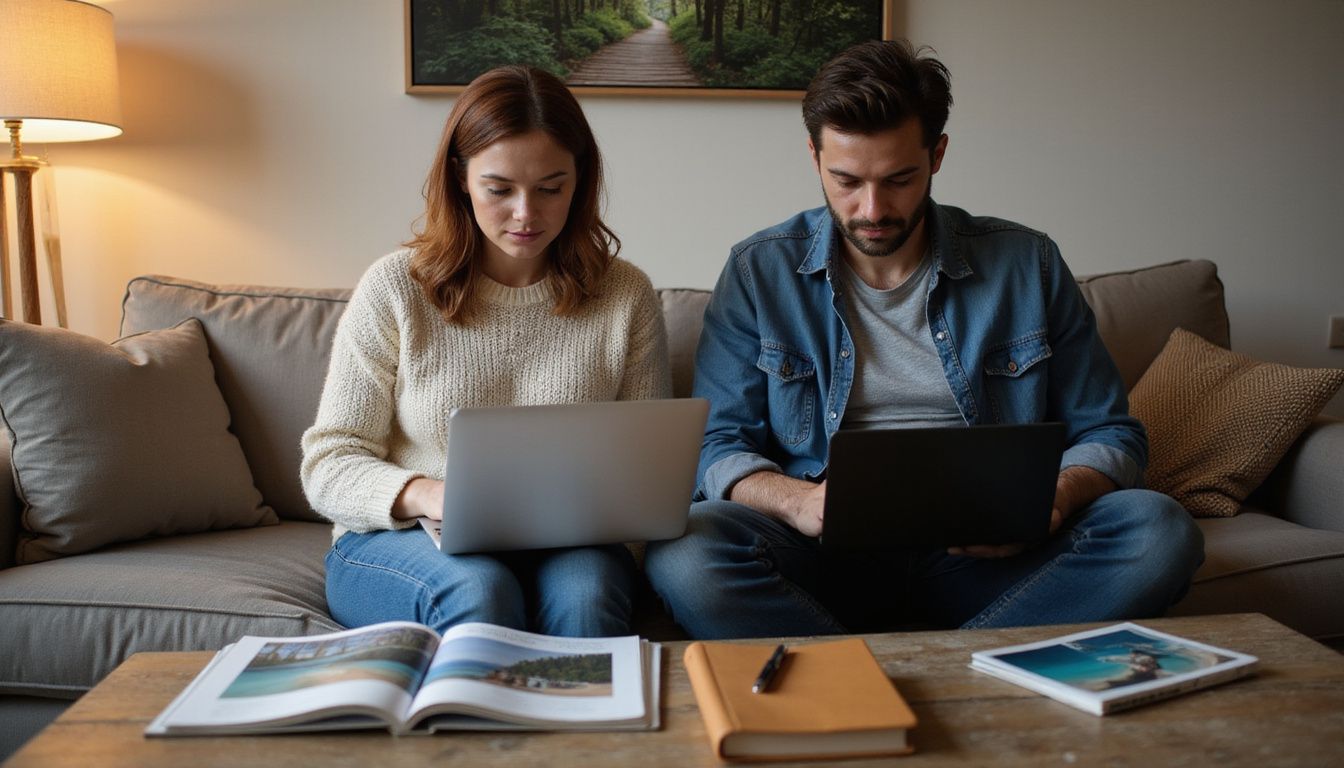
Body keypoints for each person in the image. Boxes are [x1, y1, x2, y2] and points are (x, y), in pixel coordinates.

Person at [644, 40, 1203, 639]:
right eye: (847, 181)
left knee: (1158, 529)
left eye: (899, 179)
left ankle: (914, 676)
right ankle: (962, 671)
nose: (872, 209)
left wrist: (1057, 498)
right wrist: (797, 502)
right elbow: (718, 444)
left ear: (937, 155)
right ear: (814, 157)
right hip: (823, 557)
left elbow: (1110, 430)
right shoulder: (760, 271)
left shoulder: (1027, 263)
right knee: (685, 555)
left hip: (990, 558)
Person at [301, 65, 671, 638]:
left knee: (587, 596)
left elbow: (646, 474)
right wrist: (430, 495)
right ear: (460, 179)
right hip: (404, 538)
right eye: (499, 189)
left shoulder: (625, 294)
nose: (527, 214)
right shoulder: (396, 287)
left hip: (570, 541)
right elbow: (329, 463)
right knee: (479, 588)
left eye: (551, 188)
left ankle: (592, 731)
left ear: (581, 180)